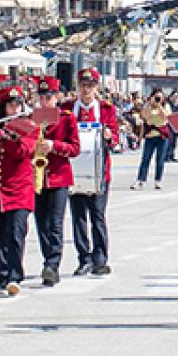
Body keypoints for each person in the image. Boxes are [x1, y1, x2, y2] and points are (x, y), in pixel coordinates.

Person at [64, 68, 120, 276]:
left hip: (98, 171)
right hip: (74, 171)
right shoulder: (68, 108)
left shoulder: (106, 109)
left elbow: (115, 137)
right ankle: (83, 258)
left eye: (90, 86)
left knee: (97, 216)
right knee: (78, 217)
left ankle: (100, 259)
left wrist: (109, 136)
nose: (86, 90)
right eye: (82, 86)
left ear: (96, 88)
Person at [0, 84, 38, 297]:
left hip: (19, 190)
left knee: (16, 234)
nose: (15, 108)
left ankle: (15, 276)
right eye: (10, 104)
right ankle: (2, 276)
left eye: (18, 104)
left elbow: (22, 151)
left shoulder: (29, 126)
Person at [32, 76, 80, 286]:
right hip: (36, 177)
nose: (45, 101)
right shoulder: (32, 118)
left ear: (57, 96)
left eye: (49, 96)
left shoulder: (67, 118)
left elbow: (75, 148)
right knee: (41, 223)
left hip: (58, 176)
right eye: (42, 96)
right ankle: (47, 259)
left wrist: (54, 146)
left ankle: (53, 264)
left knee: (55, 223)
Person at [132, 90, 170, 190]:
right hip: (150, 135)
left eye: (160, 97)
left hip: (161, 135)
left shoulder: (165, 106)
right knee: (145, 159)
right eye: (156, 97)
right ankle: (141, 180)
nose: (158, 99)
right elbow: (146, 117)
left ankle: (158, 180)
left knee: (160, 159)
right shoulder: (147, 106)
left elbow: (166, 117)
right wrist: (150, 104)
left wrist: (159, 105)